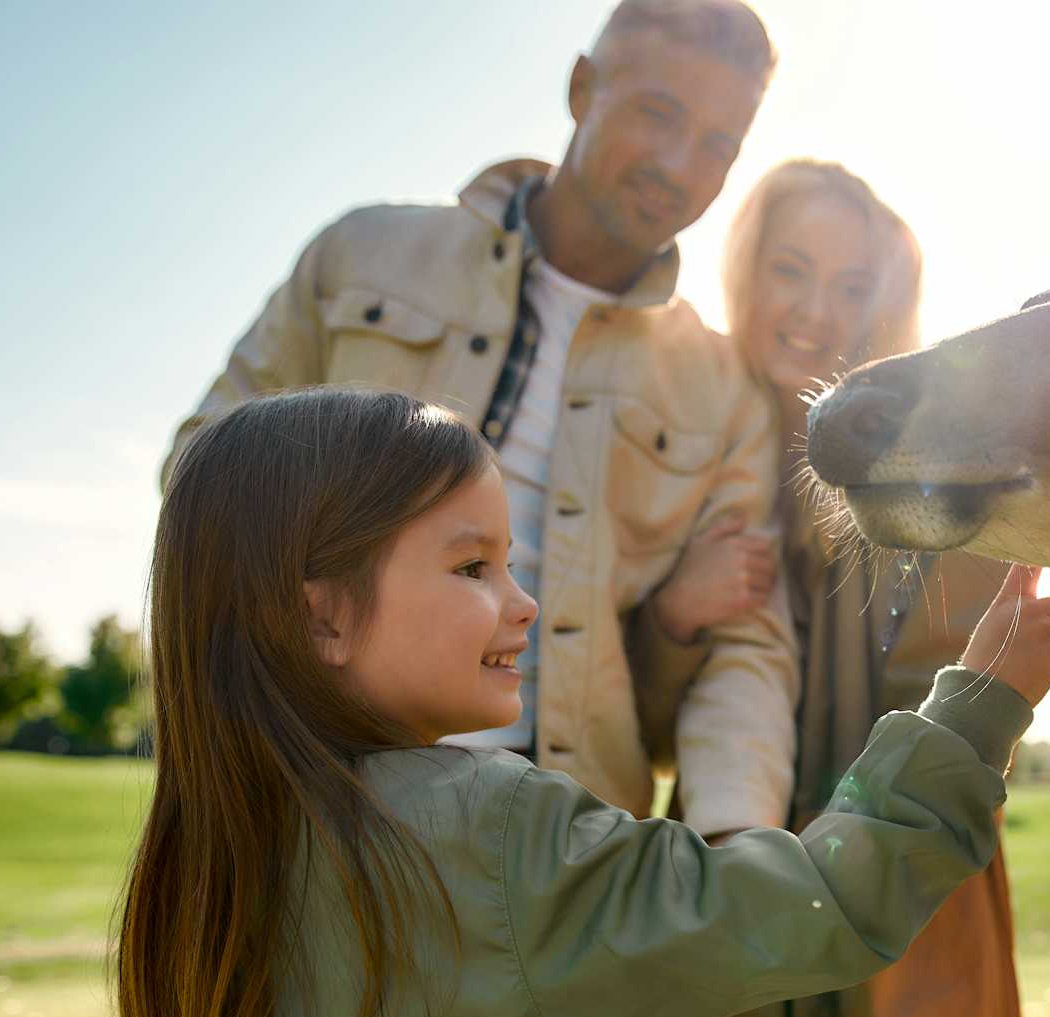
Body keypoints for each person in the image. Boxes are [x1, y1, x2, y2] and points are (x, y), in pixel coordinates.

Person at [109, 387, 1050, 1017]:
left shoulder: (210, 855)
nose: (522, 599)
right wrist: (973, 709)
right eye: (471, 565)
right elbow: (805, 904)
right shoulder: (492, 839)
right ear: (321, 617)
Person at [164, 0, 796, 841]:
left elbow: (740, 654)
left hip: (562, 849)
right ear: (582, 87)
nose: (681, 165)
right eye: (658, 113)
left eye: (720, 144)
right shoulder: (361, 255)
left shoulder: (727, 393)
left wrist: (736, 846)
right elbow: (202, 472)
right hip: (305, 808)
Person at [620, 159, 1050, 1017]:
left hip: (913, 888)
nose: (814, 308)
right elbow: (622, 713)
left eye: (850, 283)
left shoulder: (933, 469)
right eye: (789, 270)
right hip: (721, 862)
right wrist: (672, 617)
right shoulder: (673, 446)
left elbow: (978, 682)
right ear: (744, 271)